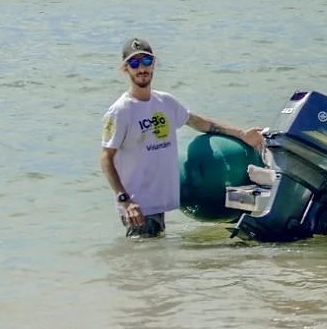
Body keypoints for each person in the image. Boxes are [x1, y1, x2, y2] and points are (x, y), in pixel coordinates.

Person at [100, 37, 264, 238]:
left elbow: (199, 123)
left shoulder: (165, 102)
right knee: (145, 264)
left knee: (151, 262)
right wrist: (124, 200)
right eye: (134, 63)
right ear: (126, 69)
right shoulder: (120, 111)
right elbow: (106, 158)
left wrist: (241, 134)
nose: (141, 68)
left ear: (154, 64)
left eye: (146, 62)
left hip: (157, 204)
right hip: (138, 207)